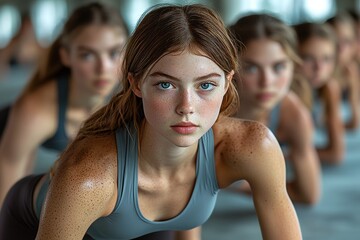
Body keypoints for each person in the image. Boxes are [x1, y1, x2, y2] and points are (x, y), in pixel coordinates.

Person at [0, 4, 302, 240]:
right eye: (166, 85)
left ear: (227, 83)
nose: (187, 107)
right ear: (135, 84)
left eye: (205, 85)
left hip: (146, 230)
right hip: (34, 221)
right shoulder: (89, 177)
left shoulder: (252, 146)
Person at [0, 2, 128, 207]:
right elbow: (8, 184)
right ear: (66, 56)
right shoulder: (37, 108)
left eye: (114, 53)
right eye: (87, 55)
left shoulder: (131, 95)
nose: (103, 68)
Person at [229, 13, 321, 204]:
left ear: (293, 67)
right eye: (251, 68)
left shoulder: (293, 114)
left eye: (278, 67)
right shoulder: (207, 109)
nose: (267, 82)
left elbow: (308, 195)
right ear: (231, 67)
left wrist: (253, 185)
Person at [294, 22, 345, 164]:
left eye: (327, 59)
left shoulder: (327, 88)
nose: (319, 68)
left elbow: (336, 153)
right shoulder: (282, 96)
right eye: (308, 58)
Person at [326, 12, 360, 130]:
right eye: (335, 40)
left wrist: (353, 89)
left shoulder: (351, 72)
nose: (341, 48)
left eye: (346, 41)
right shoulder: (319, 75)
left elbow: (355, 122)